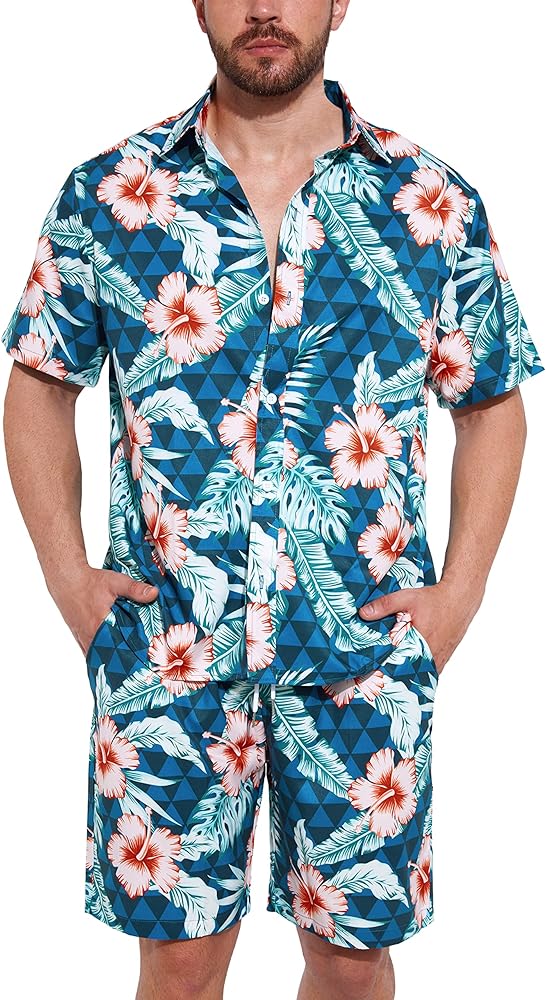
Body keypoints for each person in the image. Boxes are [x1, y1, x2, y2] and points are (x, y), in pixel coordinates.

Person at [2, 1, 544, 998]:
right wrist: (69, 580)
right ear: (197, 3)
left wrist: (459, 596)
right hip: (168, 650)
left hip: (363, 654)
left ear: (338, 1)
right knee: (178, 968)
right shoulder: (109, 194)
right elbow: (38, 386)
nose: (264, 8)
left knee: (352, 964)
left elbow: (493, 403)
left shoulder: (431, 200)